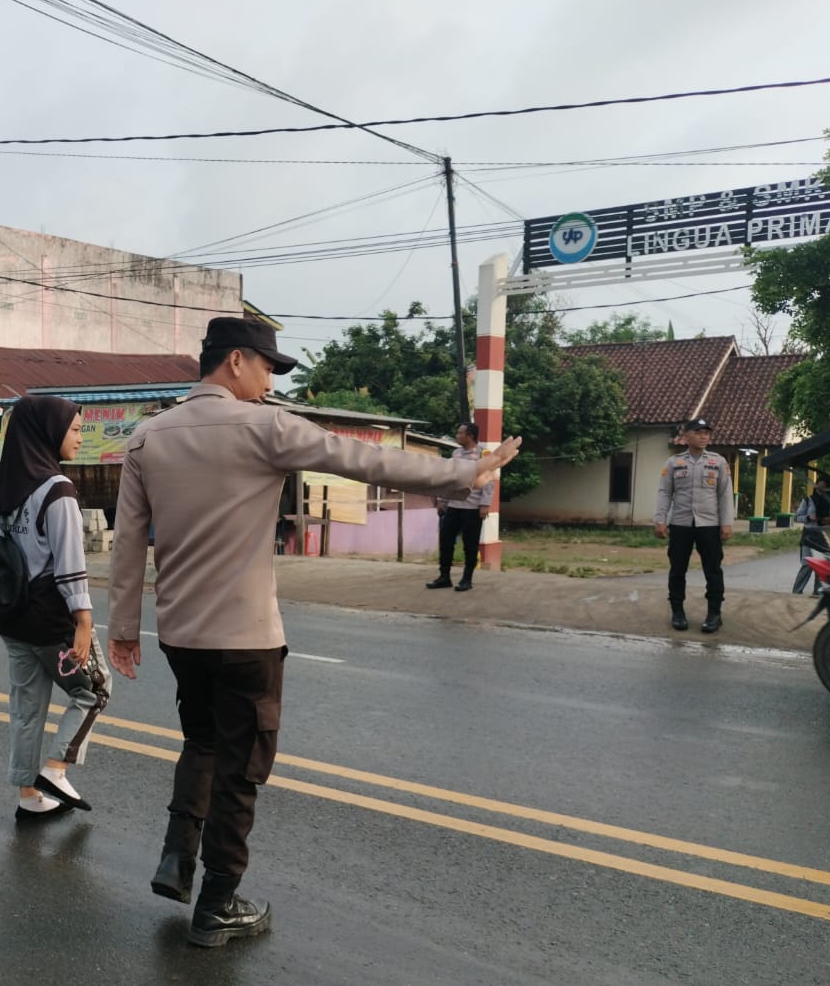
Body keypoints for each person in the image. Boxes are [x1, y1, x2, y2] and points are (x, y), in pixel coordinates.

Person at [106, 317, 522, 948]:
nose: (271, 380)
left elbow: (129, 540)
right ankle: (217, 903)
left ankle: (176, 855)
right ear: (237, 361)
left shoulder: (145, 440)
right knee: (242, 769)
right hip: (246, 637)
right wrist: (468, 474)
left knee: (202, 743)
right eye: (269, 367)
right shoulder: (266, 427)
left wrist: (125, 629)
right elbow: (366, 461)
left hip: (181, 635)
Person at [0, 395, 111, 823]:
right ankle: (56, 770)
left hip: (13, 620)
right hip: (50, 622)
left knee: (26, 706)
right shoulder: (58, 491)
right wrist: (84, 622)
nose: (80, 437)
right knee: (95, 690)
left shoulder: (8, 490)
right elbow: (70, 565)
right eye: (75, 429)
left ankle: (28, 794)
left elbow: (1, 555)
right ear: (48, 433)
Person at [653, 417, 734, 634]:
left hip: (709, 524)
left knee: (713, 571)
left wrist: (726, 523)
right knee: (677, 569)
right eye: (699, 432)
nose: (704, 436)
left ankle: (714, 614)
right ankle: (677, 612)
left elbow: (725, 494)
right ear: (686, 436)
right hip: (680, 524)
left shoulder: (718, 462)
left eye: (707, 432)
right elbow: (664, 493)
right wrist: (660, 520)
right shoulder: (673, 463)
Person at [427, 422, 494, 592]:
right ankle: (444, 577)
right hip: (453, 506)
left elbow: (488, 480)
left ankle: (466, 579)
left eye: (460, 433)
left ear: (470, 436)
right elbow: (449, 478)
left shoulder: (483, 454)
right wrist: (442, 500)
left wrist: (485, 504)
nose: (457, 436)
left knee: (470, 545)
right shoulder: (456, 453)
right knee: (446, 542)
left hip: (472, 508)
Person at [791, 472, 830, 595]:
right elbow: (797, 517)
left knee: (821, 565)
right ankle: (797, 591)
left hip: (825, 536)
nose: (820, 489)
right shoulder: (808, 500)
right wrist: (809, 518)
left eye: (823, 487)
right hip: (809, 536)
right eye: (818, 486)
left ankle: (818, 591)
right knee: (807, 564)